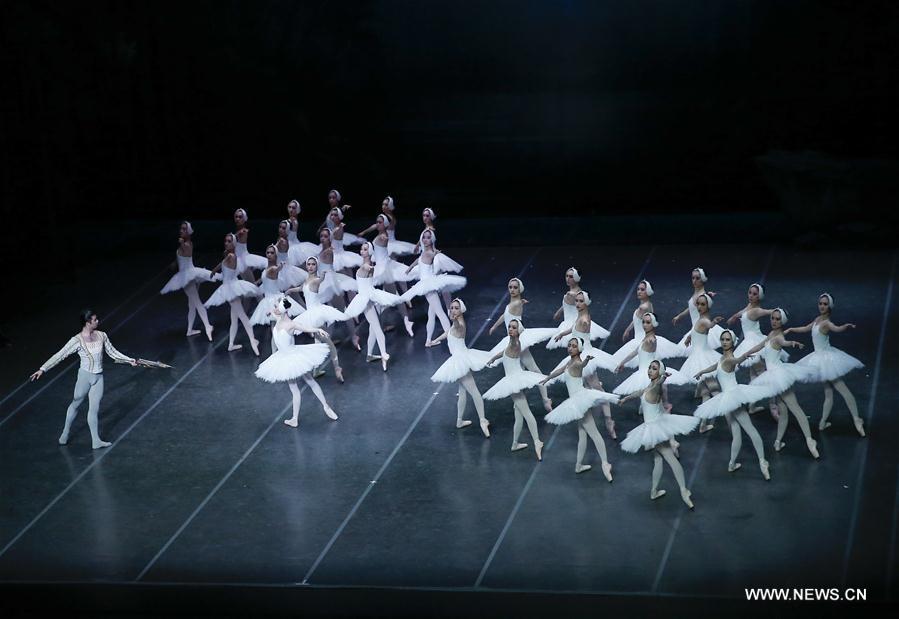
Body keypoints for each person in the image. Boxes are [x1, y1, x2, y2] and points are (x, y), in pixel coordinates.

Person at [30, 309, 142, 449]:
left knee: (94, 409)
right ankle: (65, 434)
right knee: (76, 403)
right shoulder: (76, 340)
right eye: (95, 320)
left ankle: (95, 441)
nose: (97, 321)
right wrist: (43, 369)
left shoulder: (102, 335)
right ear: (88, 323)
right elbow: (60, 355)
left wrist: (129, 360)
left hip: (98, 378)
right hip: (84, 377)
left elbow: (113, 352)